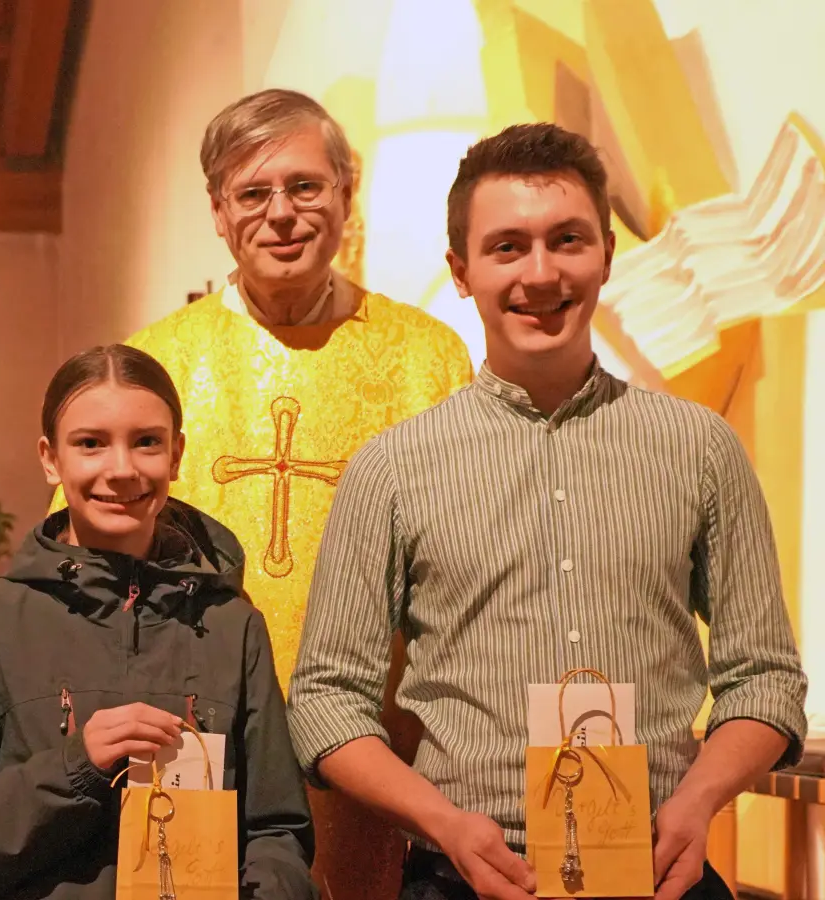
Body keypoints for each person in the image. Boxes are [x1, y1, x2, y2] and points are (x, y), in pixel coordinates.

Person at [288, 123, 807, 900]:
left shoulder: (701, 449)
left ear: (607, 251)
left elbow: (764, 680)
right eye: (506, 247)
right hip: (464, 872)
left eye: (566, 240)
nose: (540, 273)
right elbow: (326, 701)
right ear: (461, 272)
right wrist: (443, 824)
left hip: (658, 868)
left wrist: (699, 803)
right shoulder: (390, 469)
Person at [57, 88, 474, 899]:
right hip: (194, 742)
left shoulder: (428, 358)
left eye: (305, 186)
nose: (280, 213)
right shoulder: (156, 364)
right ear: (218, 211)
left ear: (346, 196)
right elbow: (83, 568)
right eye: (253, 193)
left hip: (382, 748)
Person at [0, 344, 316, 900]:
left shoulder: (231, 625)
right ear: (50, 458)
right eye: (90, 444)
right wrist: (76, 769)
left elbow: (278, 831)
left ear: (176, 454)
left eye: (146, 442)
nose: (121, 470)